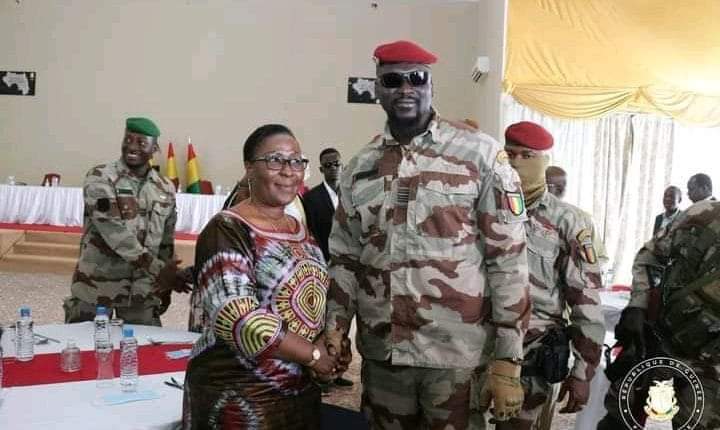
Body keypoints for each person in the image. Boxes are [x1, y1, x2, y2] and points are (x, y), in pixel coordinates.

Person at [325, 40, 530, 429]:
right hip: (385, 354)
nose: (406, 89)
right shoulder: (360, 168)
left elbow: (508, 259)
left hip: (455, 355)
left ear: (431, 85)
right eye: (392, 80)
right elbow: (345, 259)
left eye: (417, 78)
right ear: (377, 88)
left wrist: (508, 357)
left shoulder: (480, 154)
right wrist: (335, 327)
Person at [182, 124, 337, 429]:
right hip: (239, 397)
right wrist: (313, 354)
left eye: (296, 161)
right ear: (249, 168)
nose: (288, 171)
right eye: (275, 160)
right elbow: (238, 318)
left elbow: (314, 297)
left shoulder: (299, 229)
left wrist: (328, 343)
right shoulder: (227, 229)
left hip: (298, 392)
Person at [480, 122, 604, 430]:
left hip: (531, 357)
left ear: (544, 161)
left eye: (527, 155)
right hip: (476, 350)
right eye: (510, 154)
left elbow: (585, 301)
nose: (516, 163)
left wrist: (582, 372)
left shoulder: (568, 221)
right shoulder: (481, 209)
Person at [598, 199, 720, 430]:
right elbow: (649, 255)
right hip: (657, 338)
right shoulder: (704, 214)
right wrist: (638, 305)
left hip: (712, 365)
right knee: (618, 419)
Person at [64, 117, 186, 326]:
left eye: (141, 142)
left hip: (142, 292)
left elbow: (166, 241)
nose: (132, 147)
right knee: (85, 344)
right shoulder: (100, 177)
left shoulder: (165, 188)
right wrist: (158, 270)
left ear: (154, 149)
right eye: (128, 140)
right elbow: (113, 230)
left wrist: (166, 284)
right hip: (96, 287)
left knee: (143, 345)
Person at [302, 147, 354, 390]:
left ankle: (337, 370)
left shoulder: (353, 193)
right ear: (321, 169)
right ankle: (320, 375)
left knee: (342, 323)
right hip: (323, 268)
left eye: (337, 164)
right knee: (323, 323)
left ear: (343, 165)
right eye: (328, 165)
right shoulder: (312, 198)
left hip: (350, 270)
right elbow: (309, 234)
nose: (333, 168)